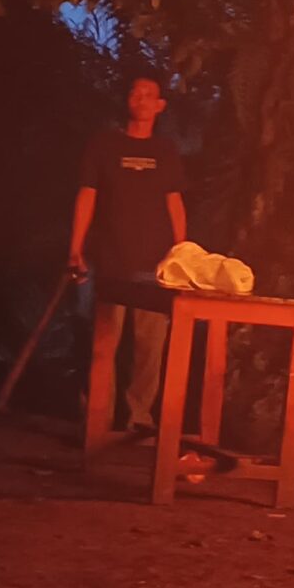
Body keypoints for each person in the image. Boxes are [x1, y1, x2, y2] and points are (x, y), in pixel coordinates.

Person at [69, 72, 190, 442]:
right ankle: (96, 419)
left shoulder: (166, 151)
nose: (139, 97)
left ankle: (140, 418)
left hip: (155, 265)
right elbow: (87, 194)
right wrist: (75, 247)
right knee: (102, 341)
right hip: (109, 260)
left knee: (150, 346)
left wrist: (183, 255)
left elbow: (175, 202)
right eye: (135, 91)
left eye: (148, 93)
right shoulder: (104, 145)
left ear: (160, 106)